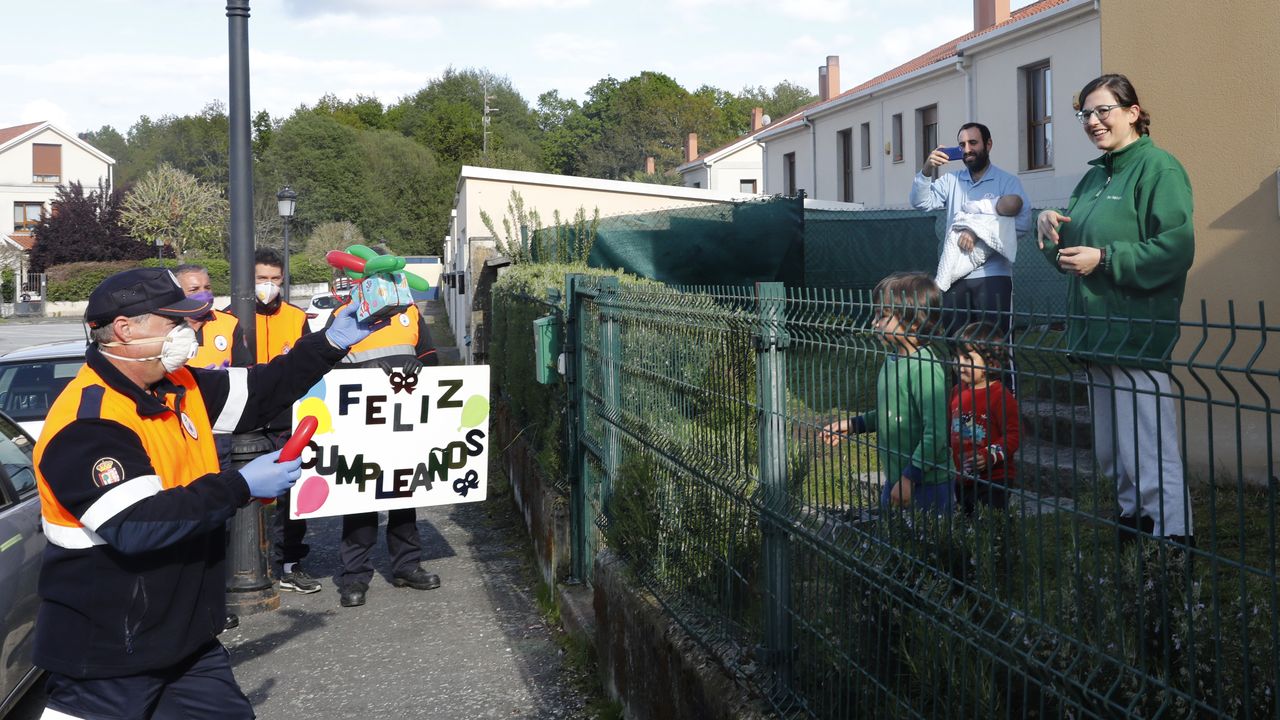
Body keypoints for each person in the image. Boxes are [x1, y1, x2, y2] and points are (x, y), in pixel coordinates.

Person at [32, 267, 377, 719]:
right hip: (109, 653)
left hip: (183, 640)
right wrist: (242, 484)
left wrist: (333, 340)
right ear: (124, 329)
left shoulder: (177, 385)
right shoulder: (89, 422)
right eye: (174, 322)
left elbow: (262, 392)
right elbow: (137, 525)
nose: (191, 329)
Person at [1036, 73, 1195, 544]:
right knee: (1112, 450)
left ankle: (1172, 541)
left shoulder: (1159, 169)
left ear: (1132, 112)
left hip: (1136, 335)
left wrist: (1105, 259)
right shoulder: (1092, 176)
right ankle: (1134, 528)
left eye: (1103, 110)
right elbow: (1068, 257)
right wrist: (1048, 228)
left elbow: (1174, 249)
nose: (1093, 120)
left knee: (1150, 448)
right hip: (1095, 335)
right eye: (1085, 113)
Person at [328, 290, 440, 608]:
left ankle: (407, 566)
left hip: (403, 421)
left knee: (404, 493)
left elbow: (430, 356)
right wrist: (369, 372)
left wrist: (422, 373)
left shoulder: (412, 313)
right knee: (360, 497)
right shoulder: (343, 315)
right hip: (359, 423)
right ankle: (355, 575)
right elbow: (327, 366)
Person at [822, 273, 953, 513]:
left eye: (882, 316)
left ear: (914, 322)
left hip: (927, 485)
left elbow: (936, 434)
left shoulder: (925, 367)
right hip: (897, 480)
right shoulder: (892, 361)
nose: (874, 322)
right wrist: (854, 424)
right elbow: (891, 412)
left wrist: (909, 478)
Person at [910, 123, 1032, 334]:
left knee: (995, 345)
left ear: (988, 144)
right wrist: (926, 169)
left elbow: (1022, 223)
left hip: (993, 276)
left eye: (973, 143)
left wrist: (978, 234)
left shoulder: (1008, 182)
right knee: (956, 344)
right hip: (954, 276)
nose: (966, 150)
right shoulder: (950, 180)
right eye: (961, 145)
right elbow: (920, 202)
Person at [250, 249, 322, 595]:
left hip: (286, 422)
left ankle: (290, 564)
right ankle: (249, 567)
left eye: (274, 279)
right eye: (261, 278)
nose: (268, 286)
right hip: (244, 424)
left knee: (291, 498)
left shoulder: (297, 317)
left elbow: (310, 364)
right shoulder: (232, 318)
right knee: (245, 498)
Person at [949, 321, 1020, 514]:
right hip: (963, 476)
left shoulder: (1000, 396)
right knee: (968, 523)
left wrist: (989, 455)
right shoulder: (957, 392)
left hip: (994, 478)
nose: (959, 363)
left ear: (992, 362)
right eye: (956, 356)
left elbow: (1013, 435)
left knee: (992, 523)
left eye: (967, 357)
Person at [934, 194, 1023, 294]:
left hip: (982, 248)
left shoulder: (998, 215)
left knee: (962, 262)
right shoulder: (988, 204)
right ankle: (943, 280)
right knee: (953, 251)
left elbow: (968, 206)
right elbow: (969, 207)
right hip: (965, 231)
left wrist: (976, 231)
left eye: (1005, 210)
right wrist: (973, 228)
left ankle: (942, 282)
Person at [174, 264, 251, 370]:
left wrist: (227, 376)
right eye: (194, 289)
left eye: (207, 288)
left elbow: (243, 367)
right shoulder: (164, 325)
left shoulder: (229, 323)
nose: (203, 293)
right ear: (177, 293)